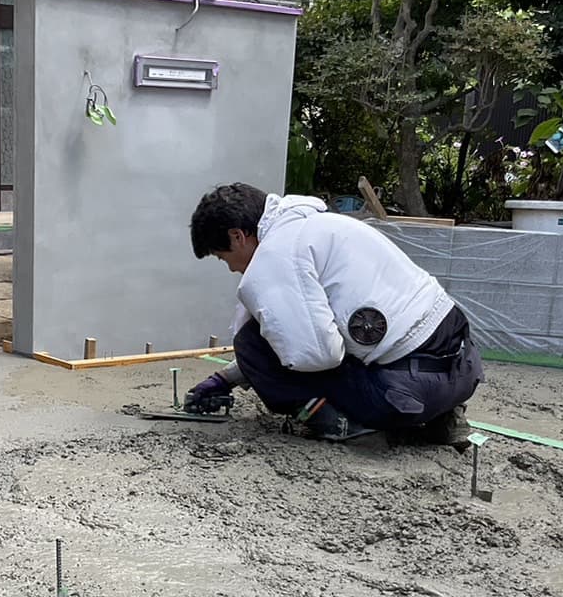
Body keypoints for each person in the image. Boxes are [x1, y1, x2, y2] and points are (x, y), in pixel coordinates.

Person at [185, 183, 482, 443]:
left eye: (223, 257)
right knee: (342, 341)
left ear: (237, 236)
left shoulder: (275, 257)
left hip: (403, 395)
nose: (231, 268)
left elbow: (315, 356)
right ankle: (443, 414)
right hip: (462, 368)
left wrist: (252, 368)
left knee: (250, 342)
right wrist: (227, 378)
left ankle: (341, 424)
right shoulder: (321, 226)